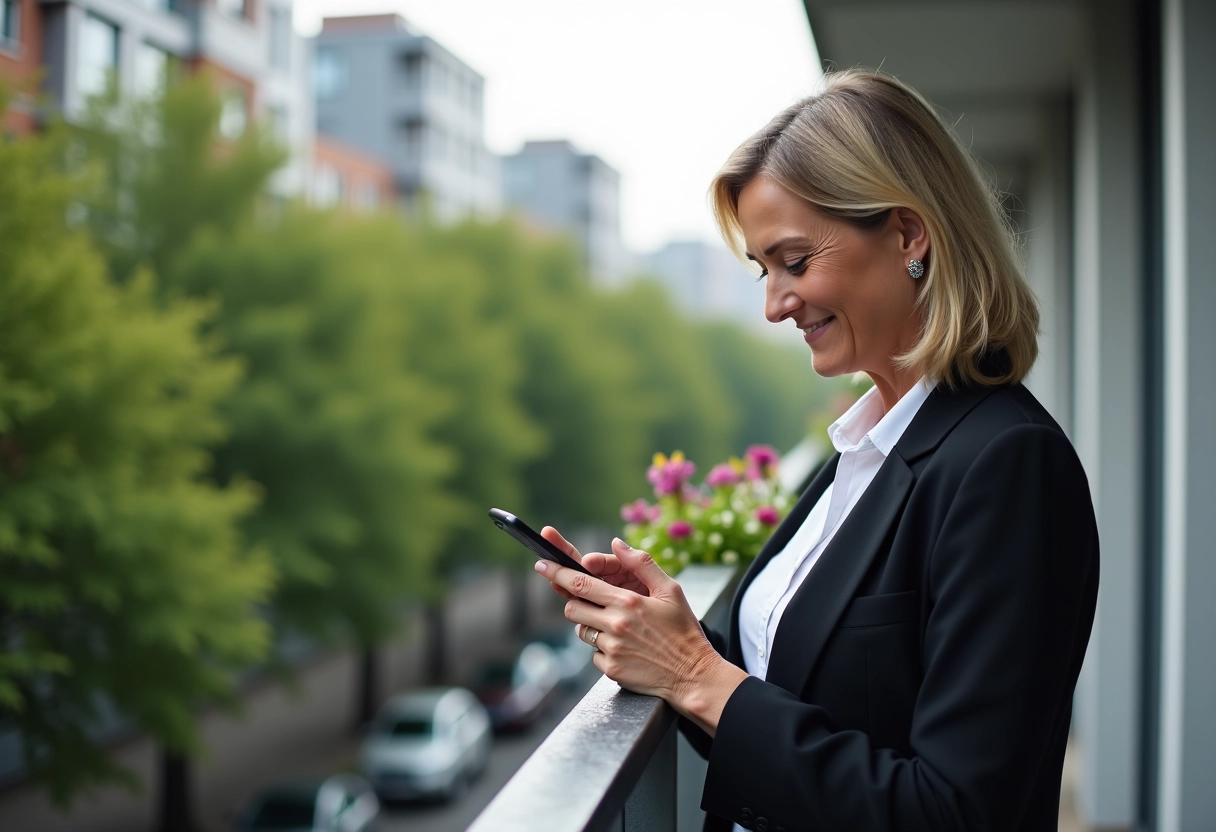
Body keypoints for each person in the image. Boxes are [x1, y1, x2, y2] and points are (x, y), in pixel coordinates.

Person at [532, 69, 1098, 832]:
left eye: (795, 262)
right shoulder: (863, 452)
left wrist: (696, 676)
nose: (774, 305)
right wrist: (678, 635)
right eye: (764, 271)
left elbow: (957, 812)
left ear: (908, 233)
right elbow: (801, 692)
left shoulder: (1008, 466)